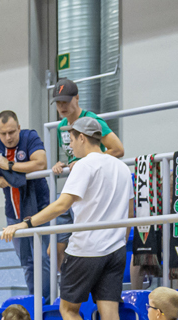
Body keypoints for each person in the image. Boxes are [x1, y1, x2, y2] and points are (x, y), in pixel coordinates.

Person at [0, 115, 132, 320]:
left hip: (86, 248)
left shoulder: (84, 165)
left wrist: (26, 223)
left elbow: (62, 204)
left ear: (83, 138)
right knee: (110, 317)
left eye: (71, 140)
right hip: (116, 249)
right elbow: (130, 210)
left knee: (67, 309)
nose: (70, 146)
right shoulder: (122, 168)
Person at [0, 110, 50, 289]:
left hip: (39, 208)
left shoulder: (30, 137)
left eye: (11, 132)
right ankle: (34, 298)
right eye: (3, 133)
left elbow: (41, 163)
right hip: (13, 212)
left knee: (43, 258)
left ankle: (47, 300)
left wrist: (9, 165)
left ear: (19, 127)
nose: (8, 137)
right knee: (26, 261)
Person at [50, 79, 124, 248]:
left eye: (65, 101)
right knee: (55, 248)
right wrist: (62, 164)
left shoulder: (92, 121)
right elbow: (74, 156)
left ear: (77, 98)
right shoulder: (62, 126)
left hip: (94, 187)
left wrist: (86, 161)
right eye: (58, 102)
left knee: (85, 241)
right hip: (75, 184)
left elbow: (118, 149)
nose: (61, 106)